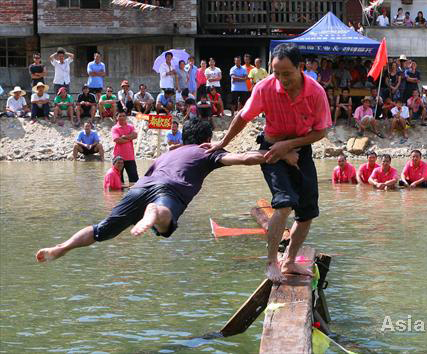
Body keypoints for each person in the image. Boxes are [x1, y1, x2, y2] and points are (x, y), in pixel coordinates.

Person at [35, 119, 299, 264]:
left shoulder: (168, 153)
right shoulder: (207, 151)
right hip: (168, 192)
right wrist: (279, 154)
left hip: (139, 189)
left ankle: (63, 247)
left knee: (102, 230)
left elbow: (148, 177)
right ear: (207, 138)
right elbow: (244, 158)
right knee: (165, 225)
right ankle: (155, 214)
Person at [202, 43, 331, 283]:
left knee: (307, 212)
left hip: (301, 150)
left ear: (300, 68)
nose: (281, 79)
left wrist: (289, 145)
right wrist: (221, 142)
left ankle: (290, 260)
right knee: (284, 204)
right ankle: (272, 262)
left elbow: (320, 131)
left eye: (286, 74)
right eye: (276, 72)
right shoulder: (265, 88)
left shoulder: (315, 92)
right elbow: (243, 117)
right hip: (271, 150)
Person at [112, 111, 139, 184]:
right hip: (118, 158)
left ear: (126, 117)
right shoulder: (115, 128)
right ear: (117, 118)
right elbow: (117, 140)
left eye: (124, 116)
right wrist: (130, 138)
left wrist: (124, 137)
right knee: (118, 181)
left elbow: (135, 135)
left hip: (130, 157)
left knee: (134, 180)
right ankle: (118, 195)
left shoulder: (131, 126)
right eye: (120, 116)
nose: (122, 117)